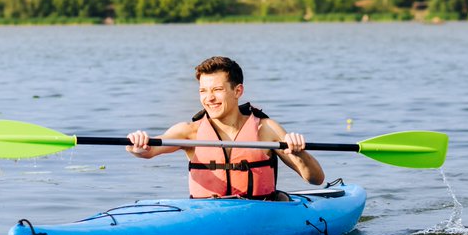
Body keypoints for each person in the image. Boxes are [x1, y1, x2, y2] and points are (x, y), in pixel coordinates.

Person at [126, 56, 325, 199]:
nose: (209, 98)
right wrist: (137, 145)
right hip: (207, 215)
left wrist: (300, 153)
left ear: (238, 91)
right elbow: (148, 151)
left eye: (217, 90)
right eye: (203, 91)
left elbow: (316, 179)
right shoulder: (189, 132)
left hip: (260, 214)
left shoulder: (266, 130)